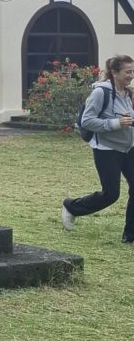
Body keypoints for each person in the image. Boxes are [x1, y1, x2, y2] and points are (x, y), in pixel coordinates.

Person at [62, 54, 134, 242]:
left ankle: (130, 235)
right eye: (127, 72)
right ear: (114, 72)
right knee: (111, 194)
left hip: (129, 148)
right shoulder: (101, 93)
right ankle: (71, 206)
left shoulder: (128, 93)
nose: (131, 75)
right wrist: (116, 123)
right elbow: (87, 121)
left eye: (133, 71)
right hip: (106, 150)